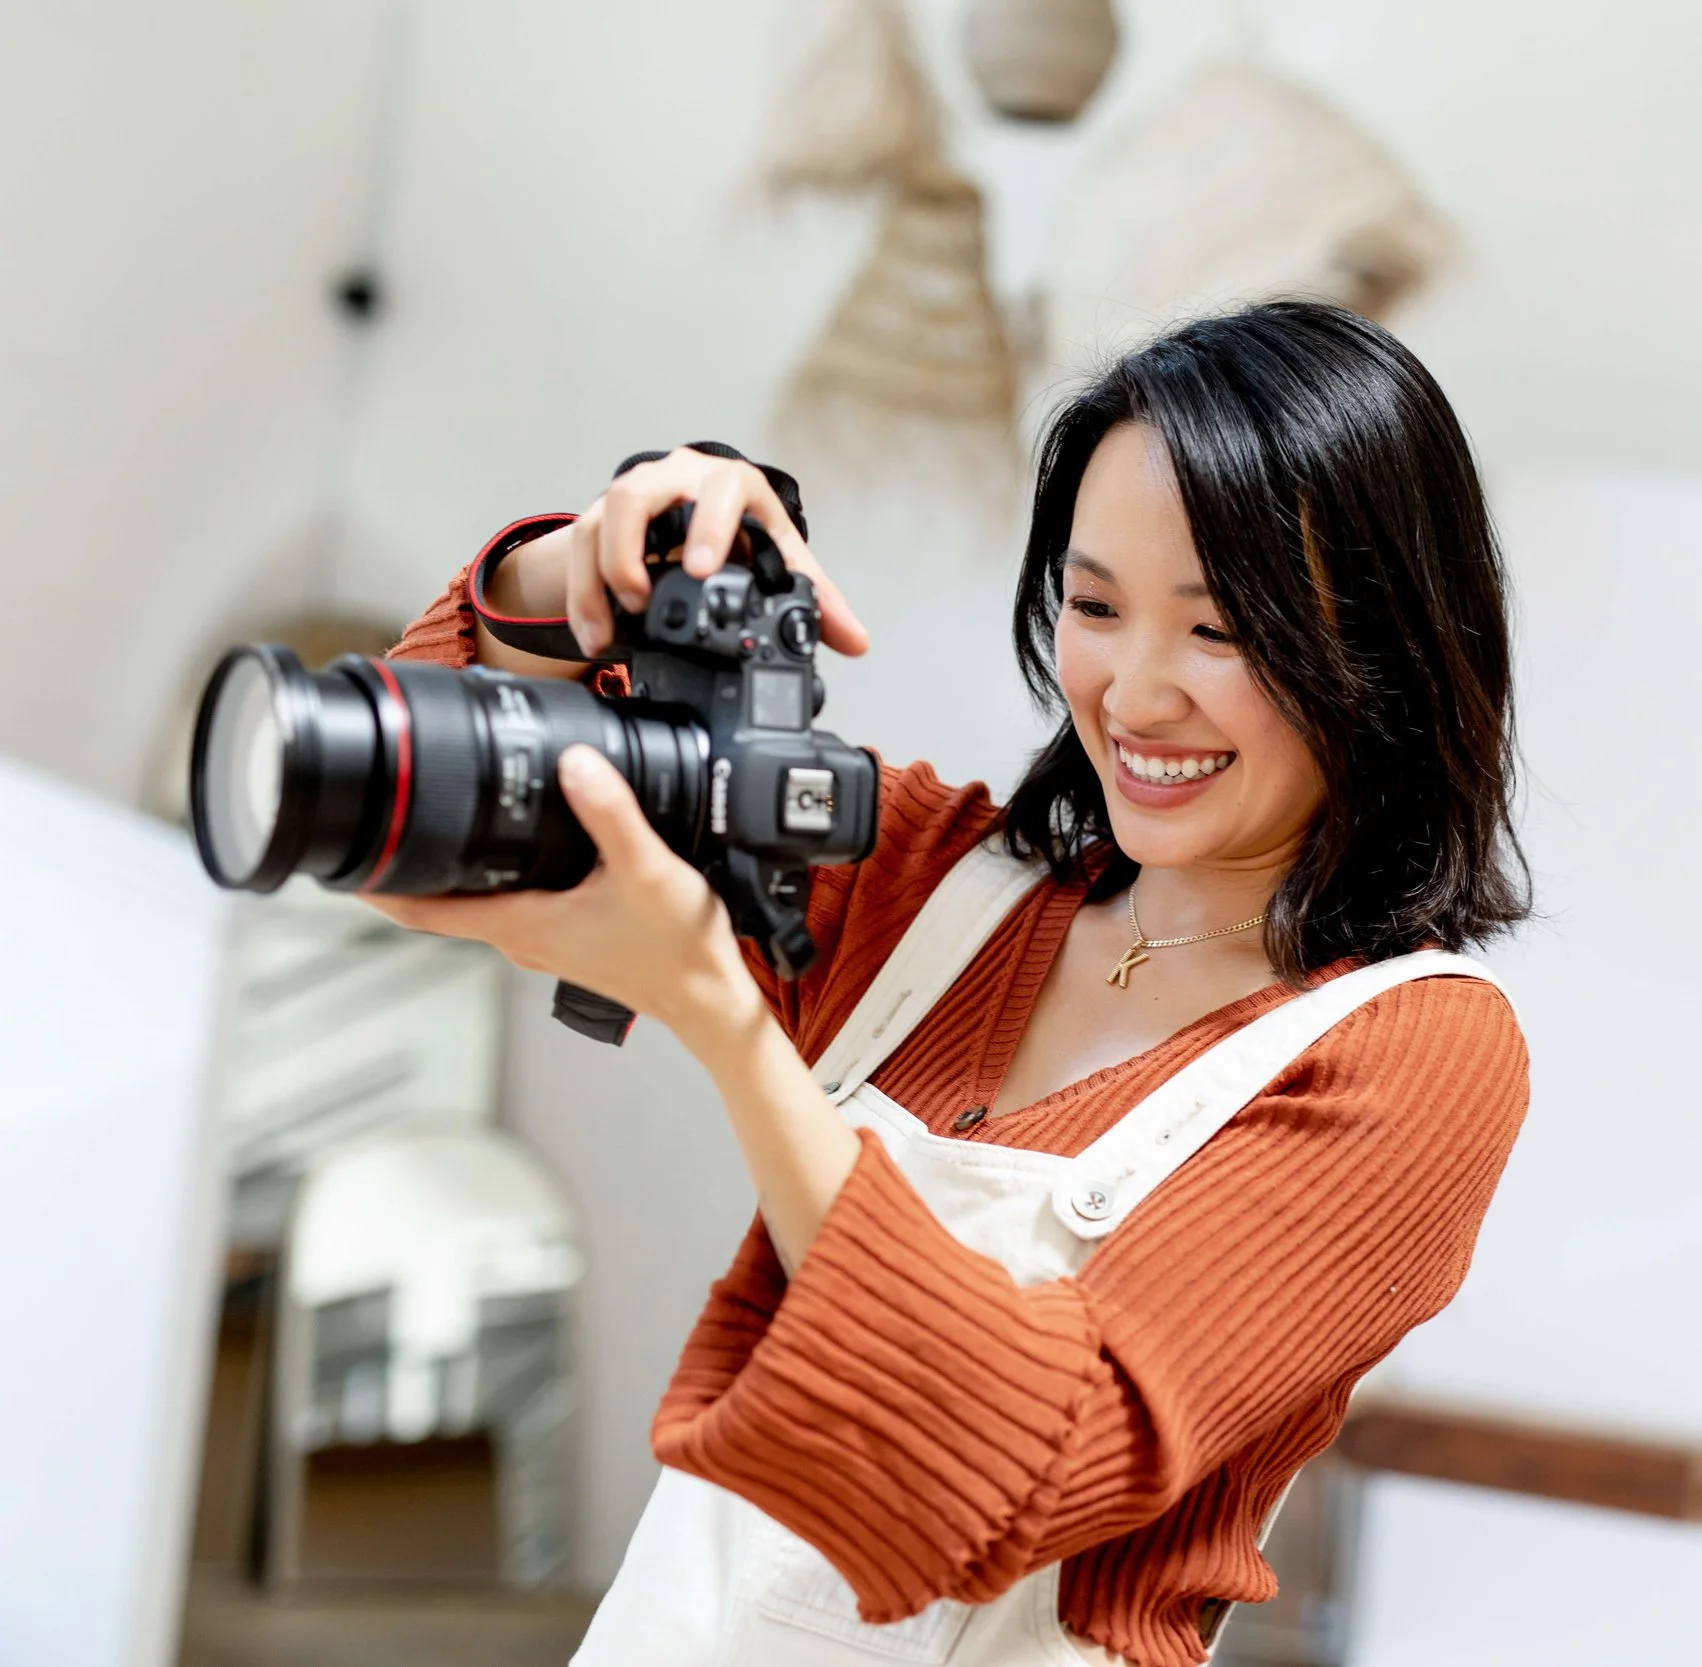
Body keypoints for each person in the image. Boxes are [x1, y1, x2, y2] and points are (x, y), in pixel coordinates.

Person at [374, 301, 1532, 1667]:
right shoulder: (928, 887)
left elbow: (1012, 1470)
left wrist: (726, 1025)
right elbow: (417, 817)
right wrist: (576, 568)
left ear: (1384, 651)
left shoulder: (1414, 1052)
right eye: (1095, 607)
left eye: (1220, 629)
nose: (1135, 694)